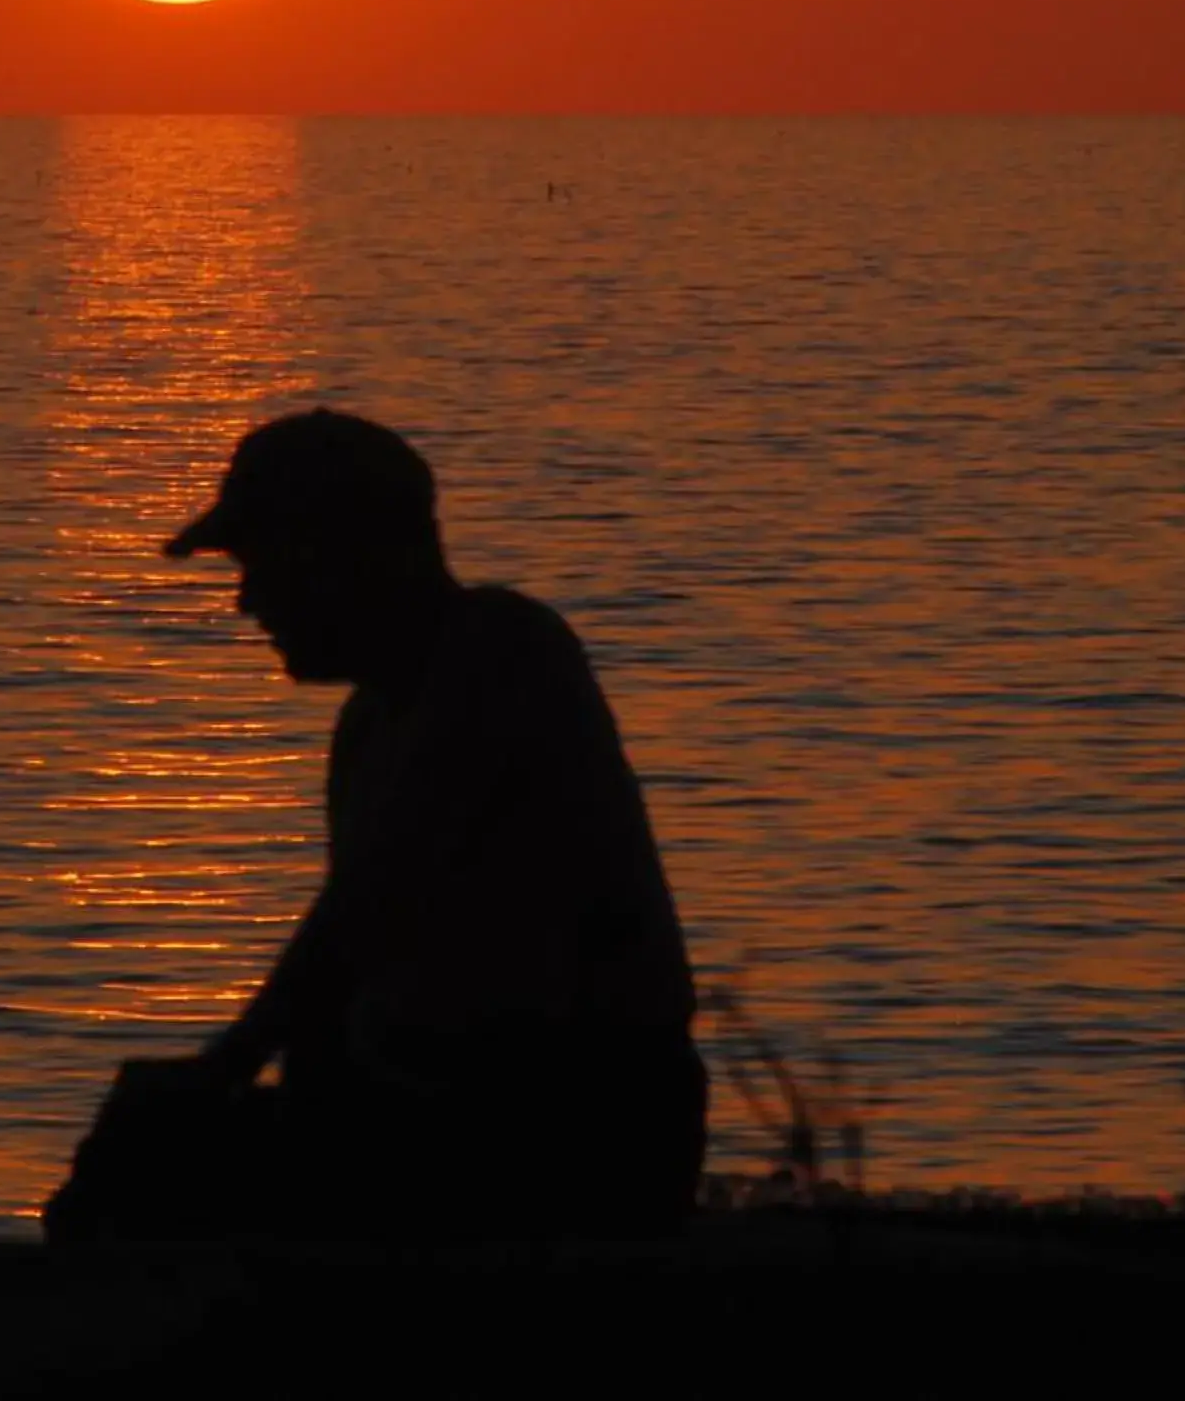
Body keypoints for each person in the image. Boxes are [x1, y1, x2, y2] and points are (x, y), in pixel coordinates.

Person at [48, 410, 704, 1241]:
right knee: (151, 1145)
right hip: (432, 1110)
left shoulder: (502, 648)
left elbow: (374, 900)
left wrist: (230, 1065)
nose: (247, 600)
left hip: (578, 1127)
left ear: (344, 552)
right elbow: (354, 969)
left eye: (261, 563)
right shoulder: (367, 727)